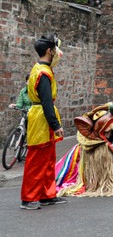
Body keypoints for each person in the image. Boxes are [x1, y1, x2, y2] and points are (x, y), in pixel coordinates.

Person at [20, 34, 66, 210]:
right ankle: (29, 197)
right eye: (55, 49)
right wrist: (56, 125)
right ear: (49, 51)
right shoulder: (43, 73)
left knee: (47, 160)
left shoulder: (38, 69)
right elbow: (46, 101)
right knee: (37, 160)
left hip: (41, 116)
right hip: (41, 118)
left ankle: (47, 194)